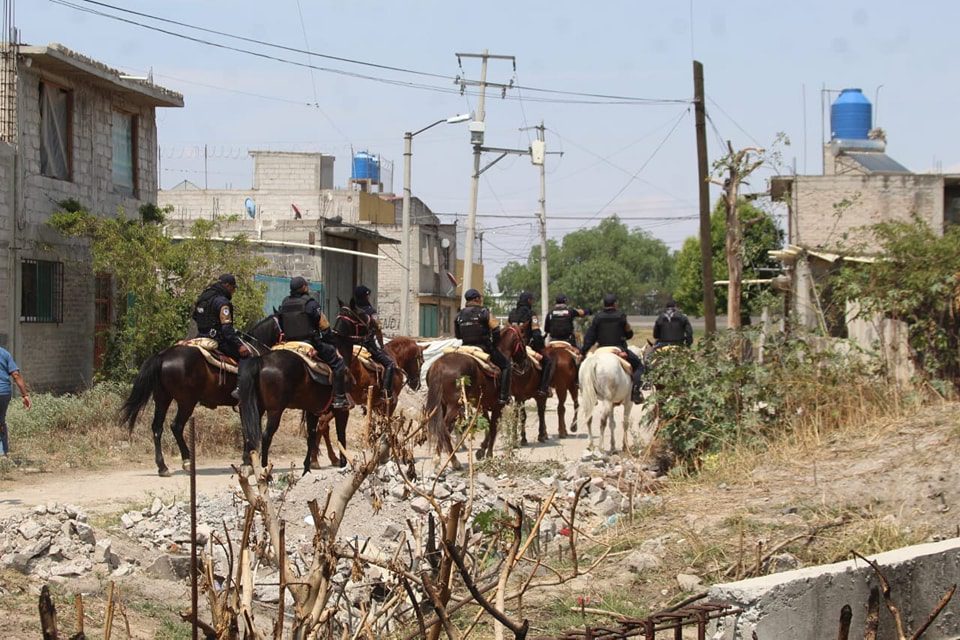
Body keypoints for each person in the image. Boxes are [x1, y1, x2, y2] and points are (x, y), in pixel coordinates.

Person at [278, 276, 349, 409]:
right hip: (308, 343)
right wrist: (333, 346)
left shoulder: (285, 303)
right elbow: (325, 328)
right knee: (339, 363)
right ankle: (339, 398)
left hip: (288, 344)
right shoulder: (311, 304)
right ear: (304, 287)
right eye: (306, 285)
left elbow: (280, 323)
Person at [192, 273, 251, 400]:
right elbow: (226, 329)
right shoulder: (222, 302)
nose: (233, 291)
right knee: (246, 356)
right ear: (227, 285)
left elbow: (195, 317)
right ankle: (240, 389)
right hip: (217, 340)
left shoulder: (203, 298)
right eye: (233, 288)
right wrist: (239, 345)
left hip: (200, 336)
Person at [580, 293, 644, 404]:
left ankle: (585, 389)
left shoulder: (598, 317)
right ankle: (635, 392)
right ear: (615, 304)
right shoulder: (621, 316)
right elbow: (629, 335)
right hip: (618, 349)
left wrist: (583, 351)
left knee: (583, 366)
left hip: (601, 349)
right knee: (639, 366)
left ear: (604, 304)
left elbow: (590, 337)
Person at [455, 288, 511, 405]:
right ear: (476, 299)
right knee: (506, 366)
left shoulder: (459, 314)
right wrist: (494, 344)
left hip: (465, 348)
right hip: (483, 347)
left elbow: (458, 335)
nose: (481, 300)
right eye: (480, 298)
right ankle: (503, 396)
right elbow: (496, 329)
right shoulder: (484, 312)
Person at [350, 285, 397, 401]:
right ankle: (385, 393)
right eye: (368, 295)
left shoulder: (350, 310)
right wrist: (381, 346)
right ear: (365, 296)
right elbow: (378, 329)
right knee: (390, 364)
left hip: (350, 345)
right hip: (367, 346)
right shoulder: (371, 312)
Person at [507, 291, 553, 398]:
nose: (532, 302)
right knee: (547, 362)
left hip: (512, 349)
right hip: (526, 348)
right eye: (532, 300)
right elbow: (536, 335)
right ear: (528, 301)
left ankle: (504, 392)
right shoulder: (532, 314)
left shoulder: (512, 314)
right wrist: (540, 347)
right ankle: (543, 389)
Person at [0, 346, 30, 457]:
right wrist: (25, 395)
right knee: (1, 420)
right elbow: (16, 375)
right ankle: (3, 452)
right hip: (4, 393)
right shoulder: (5, 353)